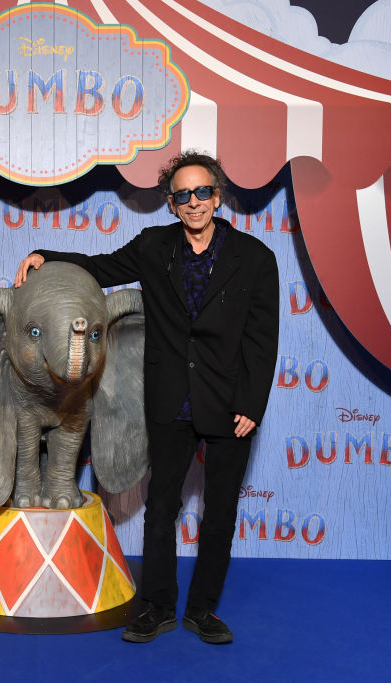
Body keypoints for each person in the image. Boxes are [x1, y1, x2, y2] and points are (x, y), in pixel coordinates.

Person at [14, 151, 279, 644]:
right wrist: (46, 258)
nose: (194, 201)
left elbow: (263, 339)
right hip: (171, 398)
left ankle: (202, 610)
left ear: (217, 198)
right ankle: (158, 606)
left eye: (203, 192)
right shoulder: (155, 247)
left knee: (219, 513)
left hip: (228, 403)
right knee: (161, 509)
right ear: (172, 204)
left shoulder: (256, 258)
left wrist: (252, 403)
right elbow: (101, 267)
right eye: (184, 195)